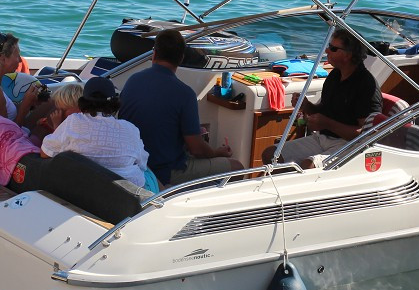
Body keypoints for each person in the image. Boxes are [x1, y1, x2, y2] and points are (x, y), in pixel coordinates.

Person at [119, 29, 241, 186]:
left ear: (154, 54)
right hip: (165, 171)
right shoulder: (185, 94)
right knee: (237, 167)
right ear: (181, 58)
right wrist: (218, 152)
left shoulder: (132, 81)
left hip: (134, 164)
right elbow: (196, 149)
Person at [262, 28, 381, 168]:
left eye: (333, 48)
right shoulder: (335, 75)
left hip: (349, 145)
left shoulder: (365, 85)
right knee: (270, 155)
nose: (327, 51)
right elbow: (324, 110)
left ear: (348, 55)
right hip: (322, 138)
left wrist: (327, 124)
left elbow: (365, 134)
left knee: (309, 166)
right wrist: (307, 106)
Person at [40, 77, 152, 189]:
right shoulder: (131, 129)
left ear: (83, 101)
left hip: (82, 188)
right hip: (125, 193)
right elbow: (142, 163)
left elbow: (45, 153)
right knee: (149, 173)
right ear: (115, 102)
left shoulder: (73, 121)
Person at [0, 31, 45, 129]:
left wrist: (28, 103)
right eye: (17, 55)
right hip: (13, 137)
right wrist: (25, 106)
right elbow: (6, 134)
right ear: (3, 59)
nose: (20, 60)